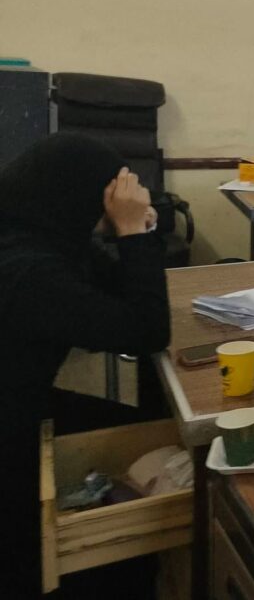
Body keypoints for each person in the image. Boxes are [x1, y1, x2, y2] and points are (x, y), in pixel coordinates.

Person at [0, 134, 171, 597]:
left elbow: (115, 286)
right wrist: (132, 235)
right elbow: (147, 330)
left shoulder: (40, 232)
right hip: (11, 427)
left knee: (144, 420)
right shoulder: (28, 271)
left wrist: (136, 227)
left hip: (23, 399)